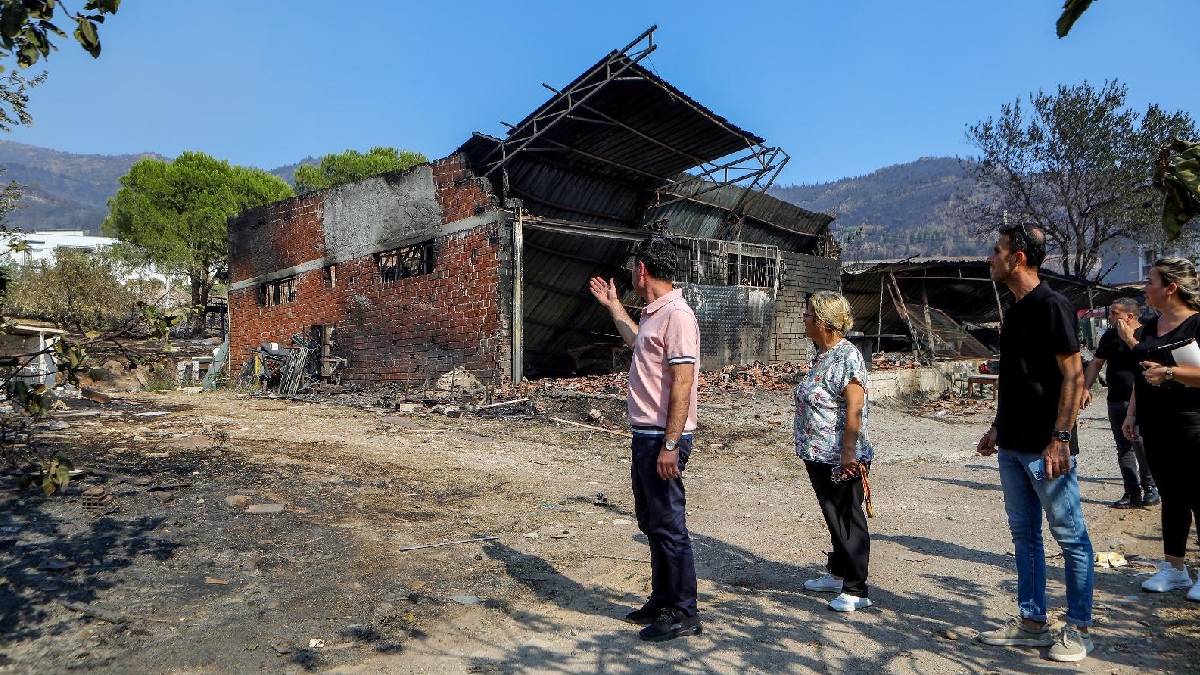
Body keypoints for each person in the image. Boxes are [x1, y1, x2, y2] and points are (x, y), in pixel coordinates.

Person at [975, 222, 1094, 663]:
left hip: (1048, 448)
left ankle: (1079, 628)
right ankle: (1032, 623)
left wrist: (1060, 439)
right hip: (1014, 447)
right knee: (1025, 536)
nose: (990, 257)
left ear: (1018, 257)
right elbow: (1022, 381)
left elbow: (1073, 375)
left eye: (997, 249)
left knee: (1070, 536)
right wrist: (998, 428)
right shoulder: (1016, 309)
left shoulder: (1053, 305)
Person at [588, 236, 703, 642]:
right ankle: (662, 599)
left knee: (669, 524)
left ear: (643, 271)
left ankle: (685, 611)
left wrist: (671, 445)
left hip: (662, 438)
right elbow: (638, 343)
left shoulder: (677, 315)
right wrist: (615, 307)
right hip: (647, 434)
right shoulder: (655, 315)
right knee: (652, 521)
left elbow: (683, 382)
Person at [1121, 257, 1200, 601]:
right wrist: (1131, 413)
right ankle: (1174, 568)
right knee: (1172, 496)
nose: (1144, 287)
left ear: (1171, 287)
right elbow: (1143, 373)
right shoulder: (1151, 326)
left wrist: (1170, 374)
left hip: (1193, 422)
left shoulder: (1197, 324)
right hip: (1156, 423)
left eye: (1150, 281)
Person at [794, 291, 875, 612]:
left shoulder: (847, 356)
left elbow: (855, 406)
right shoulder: (823, 354)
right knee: (834, 516)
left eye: (809, 316)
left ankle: (857, 589)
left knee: (848, 518)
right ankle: (839, 573)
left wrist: (848, 454)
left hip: (841, 455)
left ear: (825, 323)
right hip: (818, 453)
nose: (804, 319)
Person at [1081, 299, 1160, 508]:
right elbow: (1096, 363)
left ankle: (1150, 487)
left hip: (1143, 400)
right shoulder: (1109, 336)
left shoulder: (1147, 334)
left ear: (1130, 316)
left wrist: (1129, 340)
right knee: (1123, 447)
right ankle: (1131, 491)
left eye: (1115, 313)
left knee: (1141, 444)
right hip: (1115, 399)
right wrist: (1085, 388)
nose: (1110, 317)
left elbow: (1150, 364)